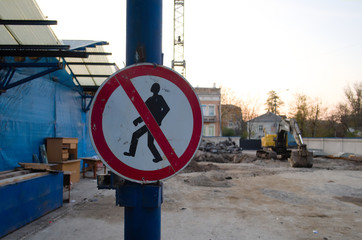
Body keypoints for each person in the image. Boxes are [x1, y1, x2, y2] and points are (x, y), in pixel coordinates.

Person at [124, 83, 170, 163]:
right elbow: (145, 113)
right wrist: (138, 120)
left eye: (154, 87)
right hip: (149, 123)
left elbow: (166, 109)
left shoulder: (159, 98)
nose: (152, 88)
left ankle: (158, 157)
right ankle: (132, 153)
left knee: (149, 143)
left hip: (154, 124)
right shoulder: (150, 99)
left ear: (156, 89)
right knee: (138, 136)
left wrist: (159, 119)